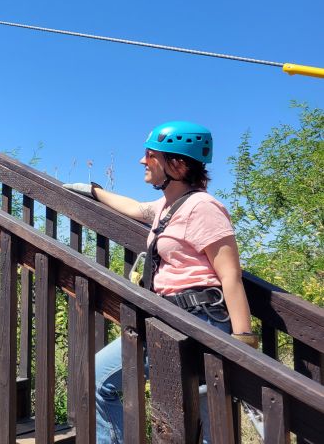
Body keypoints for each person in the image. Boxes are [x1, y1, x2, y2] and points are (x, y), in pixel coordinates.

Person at [64, 120, 257, 444]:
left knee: (201, 418)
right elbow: (137, 208)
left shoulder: (205, 207)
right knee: (197, 416)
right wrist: (95, 190)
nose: (142, 161)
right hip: (172, 318)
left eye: (150, 154)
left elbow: (230, 275)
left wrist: (243, 346)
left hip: (199, 321)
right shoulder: (168, 206)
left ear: (177, 164)